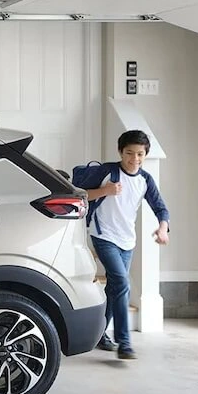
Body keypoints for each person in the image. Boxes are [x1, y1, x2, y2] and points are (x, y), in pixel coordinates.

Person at [78, 130, 170, 361]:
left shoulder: (145, 180)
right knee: (121, 282)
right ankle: (125, 343)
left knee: (114, 288)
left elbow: (161, 208)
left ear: (145, 155)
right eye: (129, 153)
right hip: (103, 235)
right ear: (121, 152)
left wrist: (162, 228)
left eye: (140, 154)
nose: (134, 158)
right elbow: (80, 195)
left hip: (127, 241)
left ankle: (99, 335)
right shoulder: (107, 172)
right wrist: (105, 191)